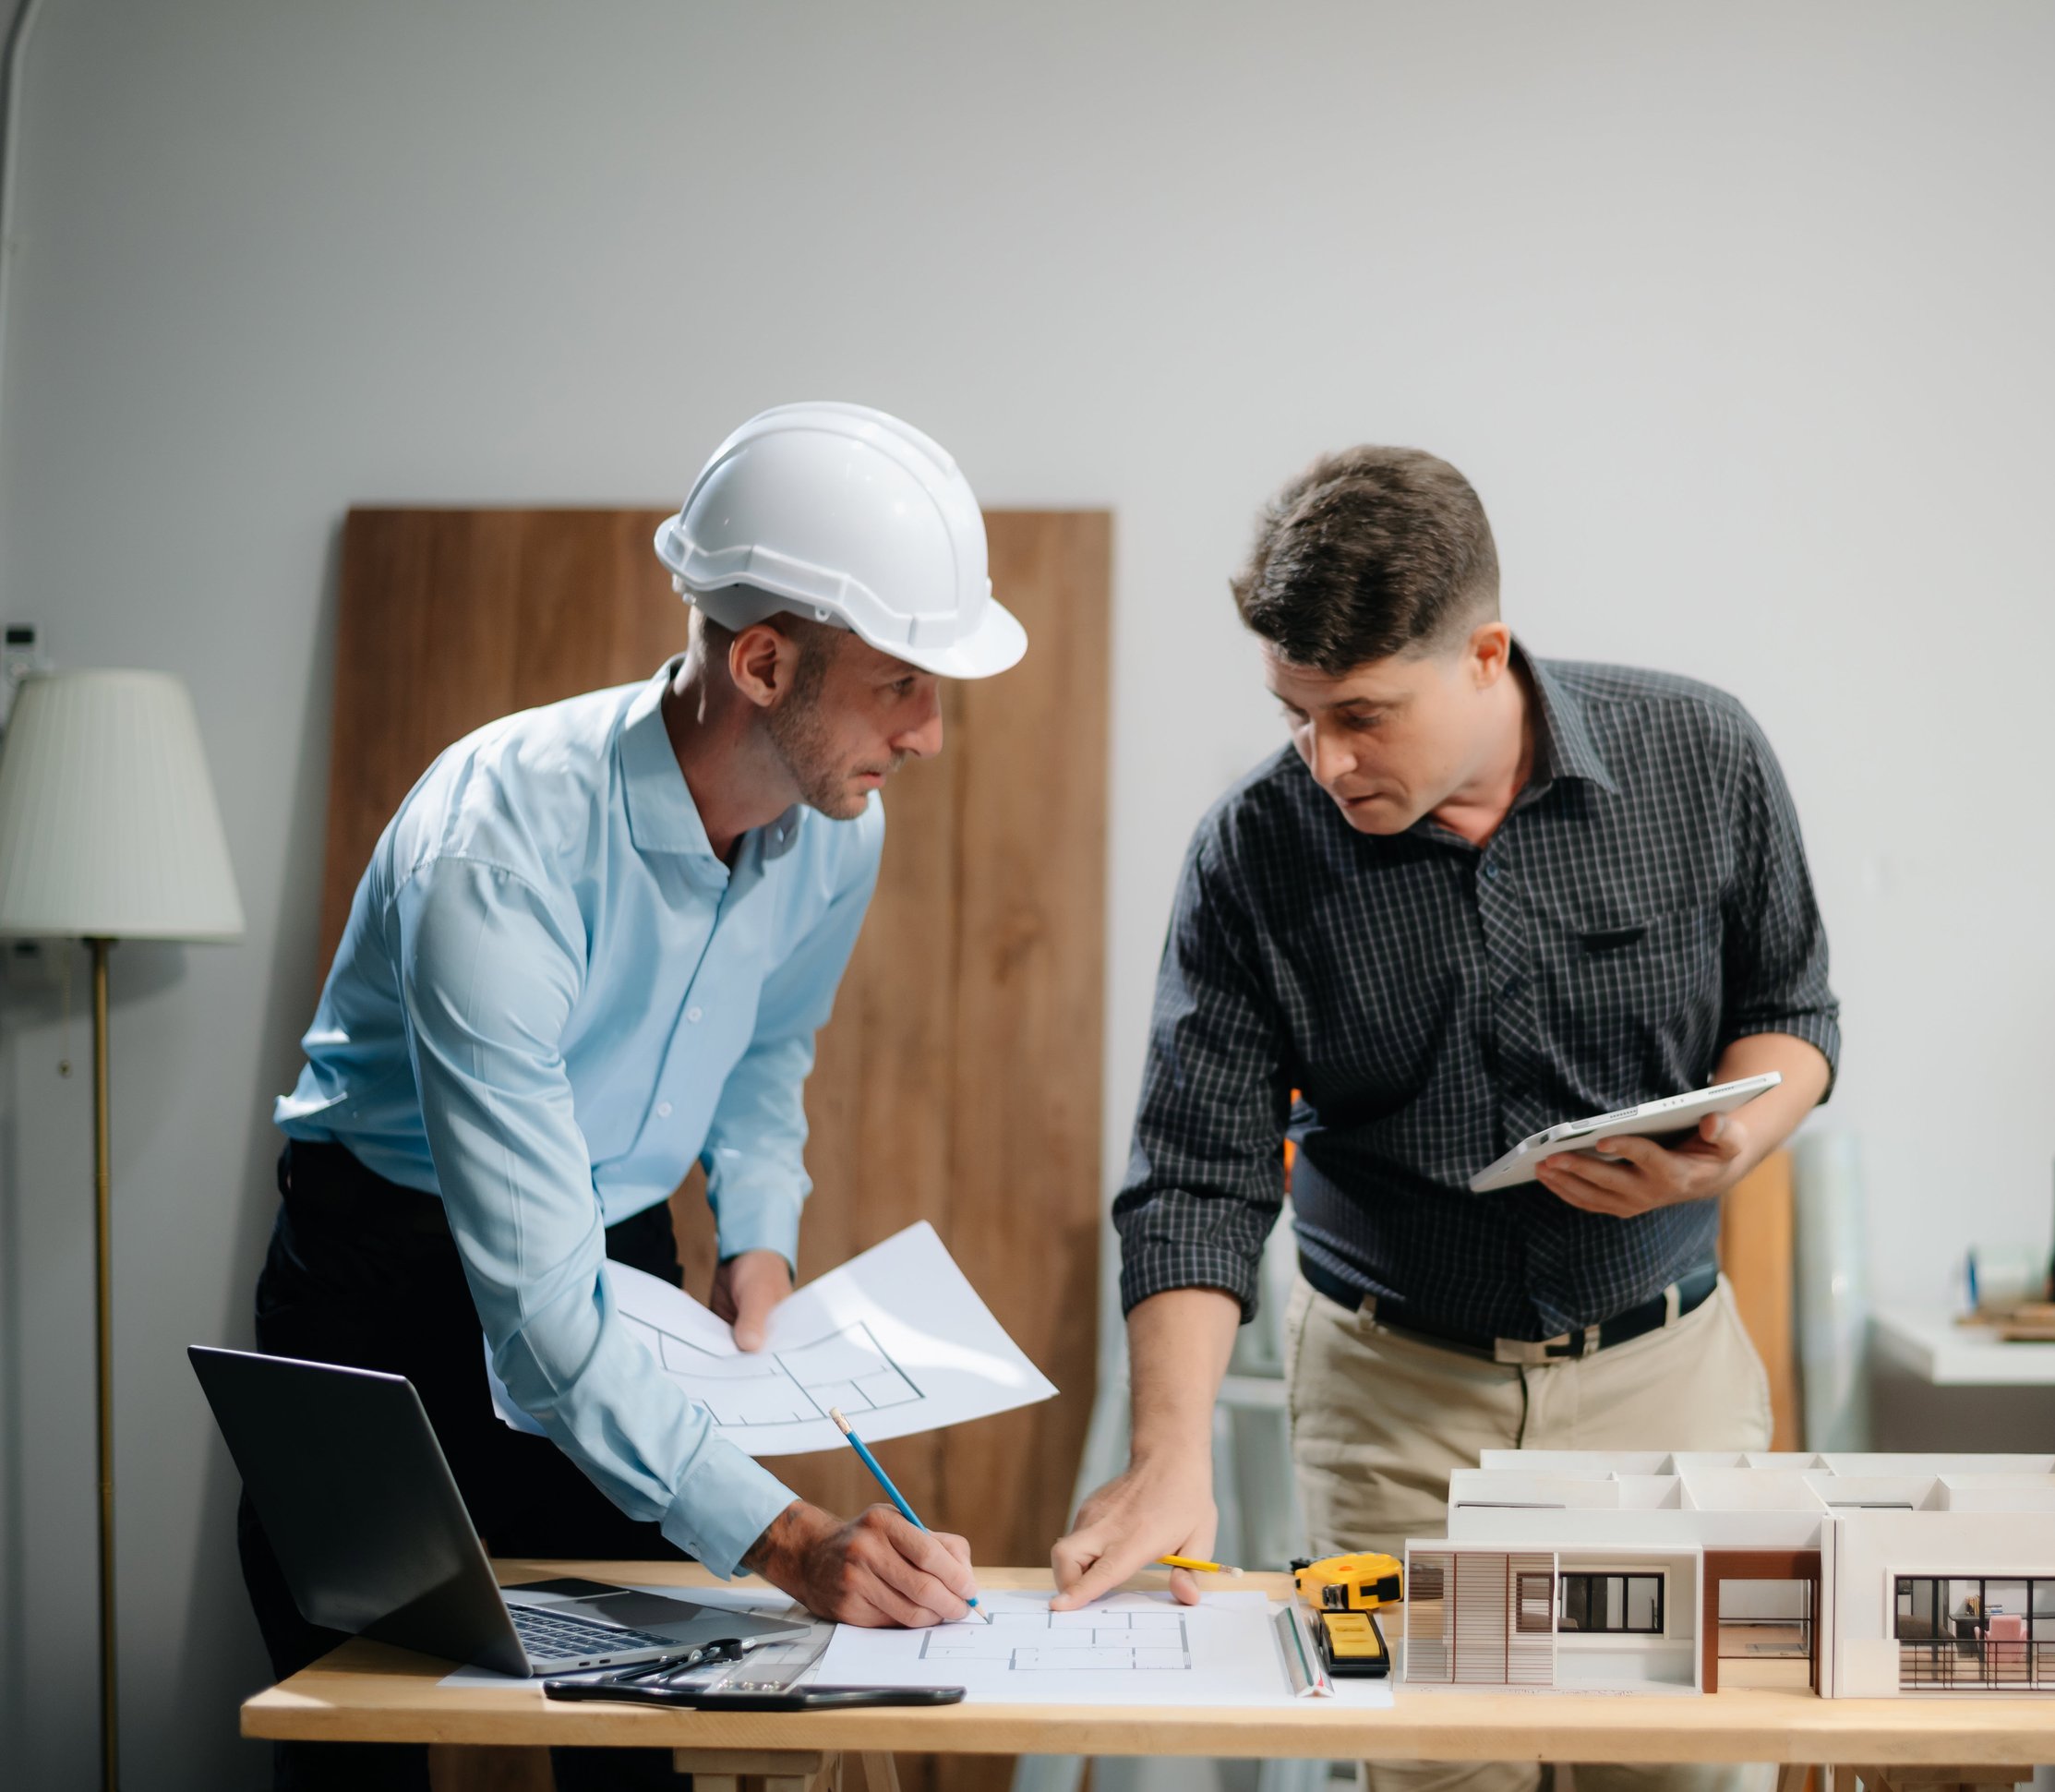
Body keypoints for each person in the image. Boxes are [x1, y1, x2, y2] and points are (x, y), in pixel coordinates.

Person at [239, 403, 1027, 1790]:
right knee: (352, 1727)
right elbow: (538, 1322)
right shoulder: (498, 850)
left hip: (617, 1243)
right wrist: (790, 1539)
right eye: (903, 683)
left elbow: (766, 1053)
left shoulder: (839, 827)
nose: (929, 735)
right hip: (377, 1273)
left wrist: (758, 1244)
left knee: (638, 1740)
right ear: (765, 661)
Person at [1053, 446, 1838, 1792]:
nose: (1326, 758)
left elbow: (1794, 1012)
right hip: (1394, 1406)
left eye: (1362, 712)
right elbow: (1195, 1173)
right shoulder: (1255, 850)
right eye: (1296, 714)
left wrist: (1738, 1141)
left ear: (1487, 653)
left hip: (1668, 1387)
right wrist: (1169, 1456)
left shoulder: (1703, 755)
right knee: (1435, 1778)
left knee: (1685, 1776)